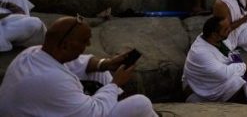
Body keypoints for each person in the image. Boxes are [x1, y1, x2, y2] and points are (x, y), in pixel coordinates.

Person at [0, 15, 156, 116]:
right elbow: (94, 113)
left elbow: (81, 63)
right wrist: (116, 84)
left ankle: (120, 101)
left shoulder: (33, 53)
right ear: (66, 46)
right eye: (84, 41)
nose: (88, 44)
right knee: (141, 103)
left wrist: (107, 64)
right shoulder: (52, 80)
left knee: (99, 72)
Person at [183, 16, 247, 106]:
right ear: (214, 35)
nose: (229, 29)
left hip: (214, 78)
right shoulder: (201, 52)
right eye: (226, 29)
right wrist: (245, 67)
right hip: (201, 87)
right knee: (237, 83)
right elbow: (223, 74)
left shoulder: (212, 38)